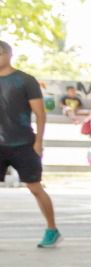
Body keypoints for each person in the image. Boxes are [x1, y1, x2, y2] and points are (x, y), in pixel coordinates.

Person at [0, 40, 61, 247]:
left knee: (35, 188)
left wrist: (38, 142)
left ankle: (52, 229)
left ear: (9, 54)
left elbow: (40, 114)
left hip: (23, 143)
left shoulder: (25, 80)